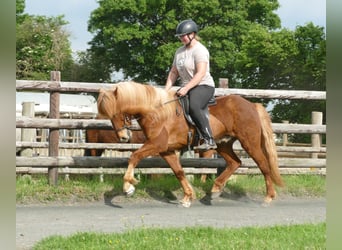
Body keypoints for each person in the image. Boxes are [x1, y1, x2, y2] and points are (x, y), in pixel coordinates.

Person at [165, 19, 217, 151]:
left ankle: (209, 139)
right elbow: (173, 72)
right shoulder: (179, 51)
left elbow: (200, 74)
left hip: (203, 85)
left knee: (194, 106)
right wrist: (165, 91)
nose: (181, 38)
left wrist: (186, 88)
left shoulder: (200, 50)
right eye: (180, 36)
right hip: (185, 87)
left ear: (192, 34)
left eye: (183, 35)